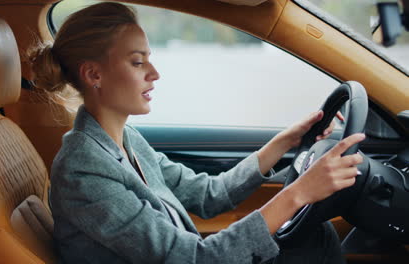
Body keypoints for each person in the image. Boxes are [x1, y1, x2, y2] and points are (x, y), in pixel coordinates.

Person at [29, 2, 364, 263]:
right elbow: (193, 258)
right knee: (316, 241)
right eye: (137, 62)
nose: (155, 73)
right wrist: (299, 193)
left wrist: (284, 142)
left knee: (315, 236)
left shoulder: (127, 141)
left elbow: (207, 195)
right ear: (94, 74)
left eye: (149, 59)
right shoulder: (83, 171)